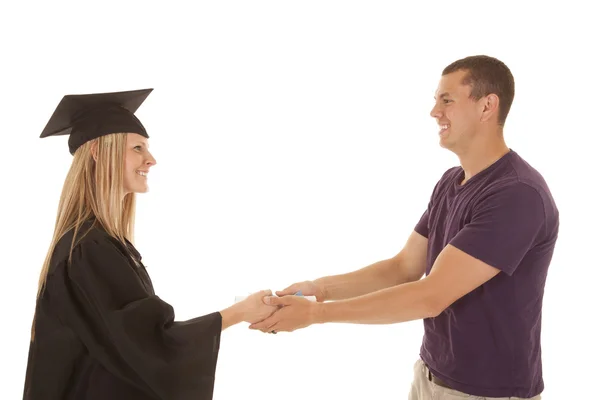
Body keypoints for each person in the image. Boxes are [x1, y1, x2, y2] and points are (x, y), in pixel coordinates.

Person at [249, 55, 559, 399]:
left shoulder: (516, 194)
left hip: (488, 392)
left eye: (447, 100)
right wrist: (316, 289)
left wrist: (316, 314)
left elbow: (430, 296)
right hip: (431, 375)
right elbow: (404, 267)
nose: (434, 112)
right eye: (436, 100)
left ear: (487, 106)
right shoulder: (451, 182)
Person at [22, 88, 277, 400]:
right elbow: (149, 345)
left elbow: (136, 342)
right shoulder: (88, 248)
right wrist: (239, 312)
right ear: (100, 153)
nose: (151, 160)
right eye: (138, 147)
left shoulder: (102, 243)